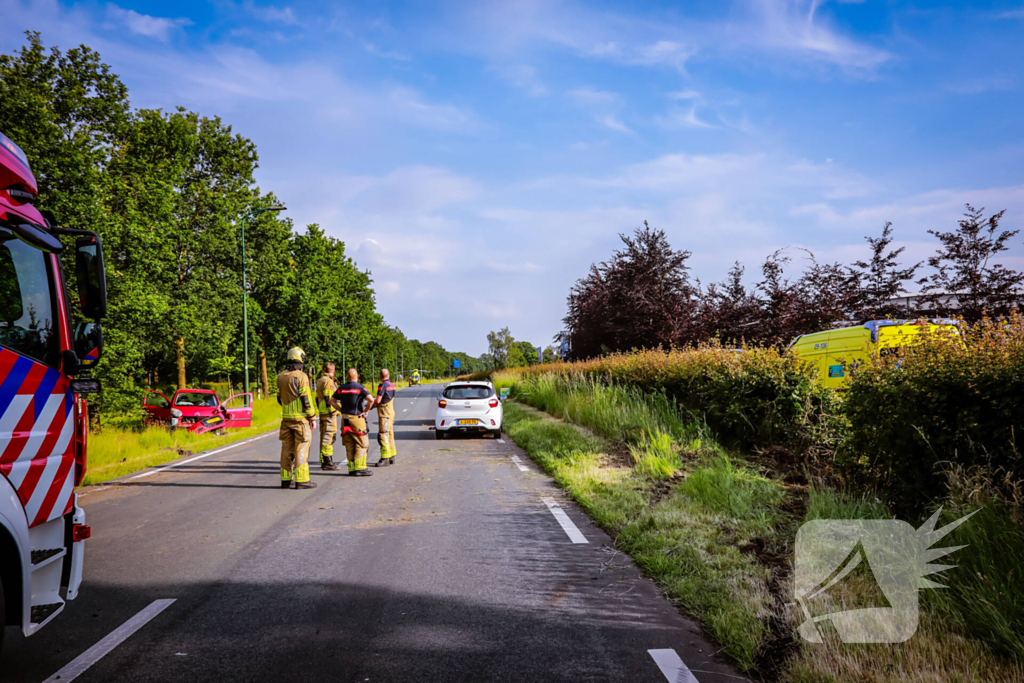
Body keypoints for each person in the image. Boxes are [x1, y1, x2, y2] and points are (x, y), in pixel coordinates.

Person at [277, 347, 317, 489]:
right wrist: (312, 417)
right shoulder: (301, 376)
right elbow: (306, 399)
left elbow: (279, 398)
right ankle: (302, 480)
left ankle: (286, 479)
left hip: (286, 419)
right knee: (301, 448)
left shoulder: (280, 376)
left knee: (286, 449)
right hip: (300, 420)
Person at [329, 368, 373, 476]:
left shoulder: (341, 388)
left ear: (347, 377)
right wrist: (365, 412)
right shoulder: (360, 388)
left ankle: (352, 468)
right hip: (357, 419)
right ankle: (360, 468)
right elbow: (371, 400)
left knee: (349, 444)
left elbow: (331, 401)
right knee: (362, 443)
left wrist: (341, 410)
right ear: (357, 377)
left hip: (345, 420)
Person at [369, 368, 397, 467]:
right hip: (391, 411)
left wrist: (370, 407)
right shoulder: (392, 385)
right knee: (390, 433)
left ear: (381, 377)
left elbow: (378, 400)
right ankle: (392, 456)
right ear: (388, 375)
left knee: (383, 434)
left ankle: (384, 458)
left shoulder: (382, 385)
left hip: (384, 412)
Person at [315, 362, 340, 471]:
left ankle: (324, 459)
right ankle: (328, 462)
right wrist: (332, 411)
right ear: (333, 370)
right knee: (329, 437)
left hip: (322, 413)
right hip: (329, 414)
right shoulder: (328, 381)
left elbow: (317, 398)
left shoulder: (320, 380)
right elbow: (328, 399)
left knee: (324, 437)